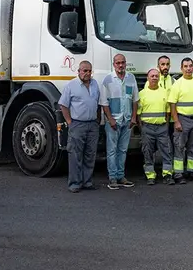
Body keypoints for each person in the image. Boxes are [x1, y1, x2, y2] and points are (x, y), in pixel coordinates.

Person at [59, 61, 102, 193]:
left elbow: (98, 103)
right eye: (85, 71)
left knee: (90, 154)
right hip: (77, 124)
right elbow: (63, 105)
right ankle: (75, 183)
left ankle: (87, 182)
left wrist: (98, 120)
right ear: (78, 71)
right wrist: (70, 122)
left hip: (92, 124)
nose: (87, 73)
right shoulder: (71, 85)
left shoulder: (95, 84)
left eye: (89, 71)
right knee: (75, 155)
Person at [99, 53, 138, 190]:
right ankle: (113, 178)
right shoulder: (108, 79)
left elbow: (135, 100)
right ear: (114, 64)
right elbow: (104, 103)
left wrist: (134, 117)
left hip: (127, 120)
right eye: (118, 63)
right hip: (113, 121)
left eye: (123, 62)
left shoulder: (131, 78)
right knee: (112, 150)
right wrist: (110, 120)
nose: (121, 65)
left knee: (123, 150)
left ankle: (121, 176)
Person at [168, 57, 193, 184]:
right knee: (179, 146)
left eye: (190, 66)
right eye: (185, 66)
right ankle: (178, 174)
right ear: (181, 68)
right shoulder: (177, 84)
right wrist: (176, 122)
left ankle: (192, 171)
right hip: (182, 120)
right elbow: (172, 105)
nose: (188, 68)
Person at [138, 68, 174, 185]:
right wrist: (141, 128)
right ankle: (150, 176)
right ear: (148, 78)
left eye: (156, 76)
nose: (154, 78)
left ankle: (167, 175)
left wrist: (166, 125)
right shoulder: (142, 94)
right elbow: (138, 114)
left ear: (159, 78)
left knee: (166, 151)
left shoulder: (164, 92)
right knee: (147, 152)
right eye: (152, 76)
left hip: (162, 127)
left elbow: (168, 111)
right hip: (147, 128)